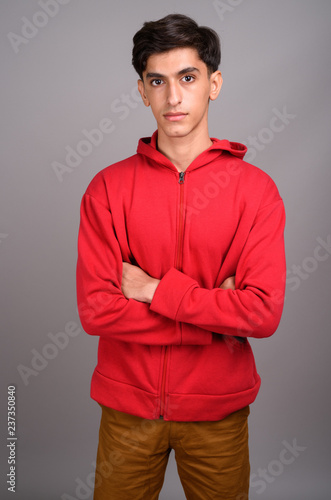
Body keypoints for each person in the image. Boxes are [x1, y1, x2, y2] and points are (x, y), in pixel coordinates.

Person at [76, 13, 286, 500]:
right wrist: (215, 318)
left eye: (187, 78)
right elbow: (97, 310)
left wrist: (152, 291)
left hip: (218, 414)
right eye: (158, 81)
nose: (173, 98)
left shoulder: (256, 192)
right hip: (127, 413)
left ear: (213, 84)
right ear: (141, 91)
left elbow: (261, 312)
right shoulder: (106, 189)